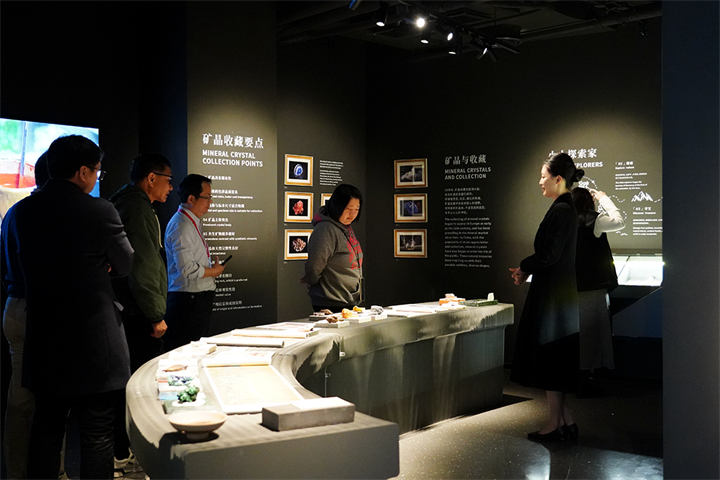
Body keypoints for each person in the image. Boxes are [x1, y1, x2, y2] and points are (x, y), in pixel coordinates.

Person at [14, 135, 134, 479]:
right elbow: (125, 263)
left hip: (45, 336)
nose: (97, 177)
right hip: (94, 341)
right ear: (82, 171)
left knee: (46, 428)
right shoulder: (99, 210)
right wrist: (102, 264)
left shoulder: (23, 211)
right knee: (97, 432)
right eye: (97, 171)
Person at [509, 152, 584, 442]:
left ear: (558, 178)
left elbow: (549, 255)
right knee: (555, 359)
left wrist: (525, 266)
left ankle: (555, 424)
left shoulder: (562, 211)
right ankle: (565, 421)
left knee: (552, 360)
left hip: (553, 297)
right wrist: (527, 268)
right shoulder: (565, 208)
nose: (540, 182)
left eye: (543, 177)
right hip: (557, 295)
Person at [109, 153, 172, 469]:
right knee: (138, 382)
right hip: (138, 312)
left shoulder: (128, 204)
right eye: (168, 180)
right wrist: (155, 314)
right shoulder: (137, 209)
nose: (170, 188)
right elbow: (143, 265)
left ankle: (123, 450)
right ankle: (126, 453)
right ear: (151, 178)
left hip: (128, 308)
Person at [1, 152, 49, 479]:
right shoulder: (45, 213)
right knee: (41, 401)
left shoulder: (15, 211)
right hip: (38, 310)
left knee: (20, 399)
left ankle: (17, 473)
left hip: (15, 307)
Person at [164, 174, 225, 351]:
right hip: (188, 301)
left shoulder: (190, 221)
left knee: (195, 349)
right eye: (207, 197)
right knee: (187, 351)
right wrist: (214, 272)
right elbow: (187, 269)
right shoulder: (182, 225)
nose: (210, 202)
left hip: (194, 300)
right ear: (191, 198)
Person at [571, 187, 625, 386]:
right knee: (593, 332)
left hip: (571, 285)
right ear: (589, 201)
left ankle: (578, 374)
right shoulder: (594, 220)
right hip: (593, 286)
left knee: (578, 332)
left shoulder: (566, 222)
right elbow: (619, 221)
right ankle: (589, 375)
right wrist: (604, 198)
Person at [302, 183, 364, 312]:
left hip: (348, 301)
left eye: (356, 209)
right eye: (348, 209)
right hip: (331, 303)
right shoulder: (325, 230)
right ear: (337, 206)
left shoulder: (345, 227)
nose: (352, 214)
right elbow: (314, 268)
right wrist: (323, 291)